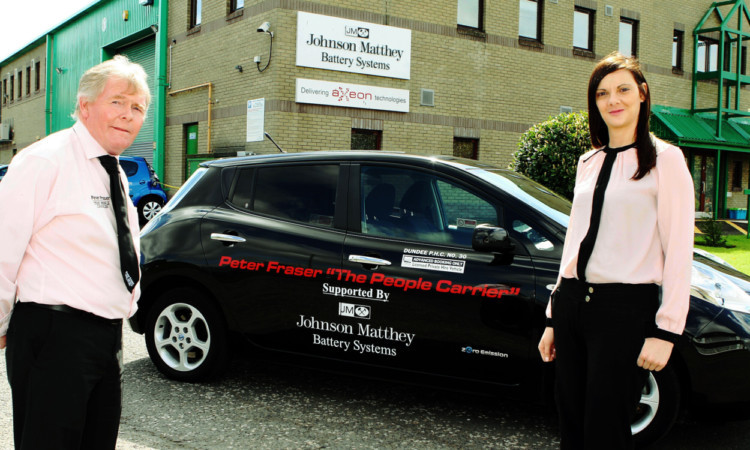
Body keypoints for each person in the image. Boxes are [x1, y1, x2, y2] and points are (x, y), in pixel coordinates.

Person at [537, 52, 694, 449]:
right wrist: (554, 317)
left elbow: (679, 248)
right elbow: (574, 239)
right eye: (602, 93)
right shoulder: (588, 161)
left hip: (623, 310)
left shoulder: (666, 160)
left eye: (623, 89)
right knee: (570, 421)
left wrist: (667, 331)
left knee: (606, 428)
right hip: (573, 303)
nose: (613, 100)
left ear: (642, 94)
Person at [0, 55, 149, 449]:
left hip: (106, 337)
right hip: (54, 336)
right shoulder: (44, 161)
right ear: (85, 105)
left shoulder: (112, 169)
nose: (128, 115)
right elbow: (3, 247)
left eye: (138, 107)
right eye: (117, 101)